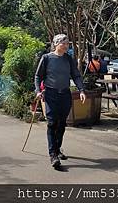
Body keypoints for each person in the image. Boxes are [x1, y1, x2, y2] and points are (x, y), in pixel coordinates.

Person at [34, 34, 86, 169]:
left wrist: (81, 90)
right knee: (52, 123)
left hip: (65, 94)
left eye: (68, 43)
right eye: (64, 43)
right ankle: (53, 155)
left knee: (62, 124)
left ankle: (57, 149)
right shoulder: (46, 58)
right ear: (57, 44)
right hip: (50, 94)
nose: (67, 46)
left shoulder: (69, 59)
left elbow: (76, 75)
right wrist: (38, 91)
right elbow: (38, 76)